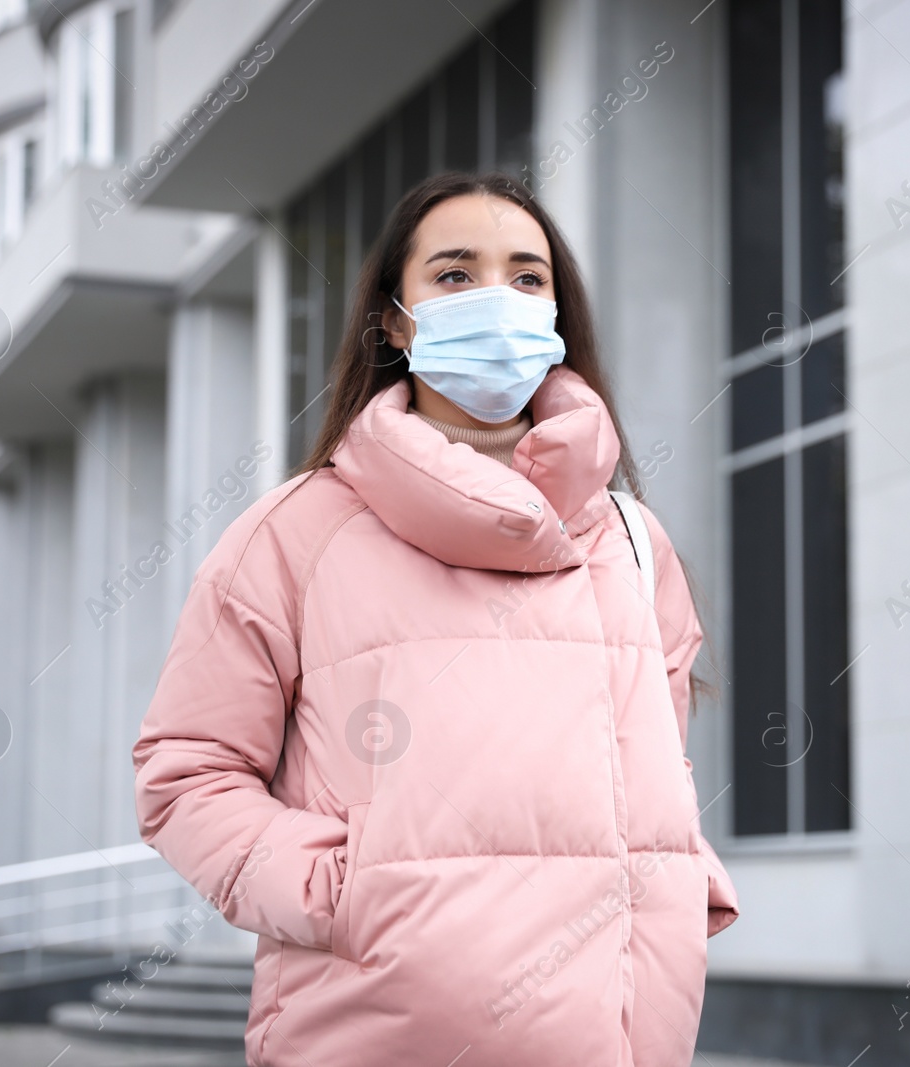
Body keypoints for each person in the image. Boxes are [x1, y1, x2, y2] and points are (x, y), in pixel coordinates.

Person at [132, 171, 739, 1067]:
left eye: (527, 278)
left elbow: (655, 770)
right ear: (394, 320)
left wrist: (677, 879)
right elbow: (187, 773)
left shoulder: (633, 541)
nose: (498, 297)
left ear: (559, 317)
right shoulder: (294, 534)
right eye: (456, 275)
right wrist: (345, 890)